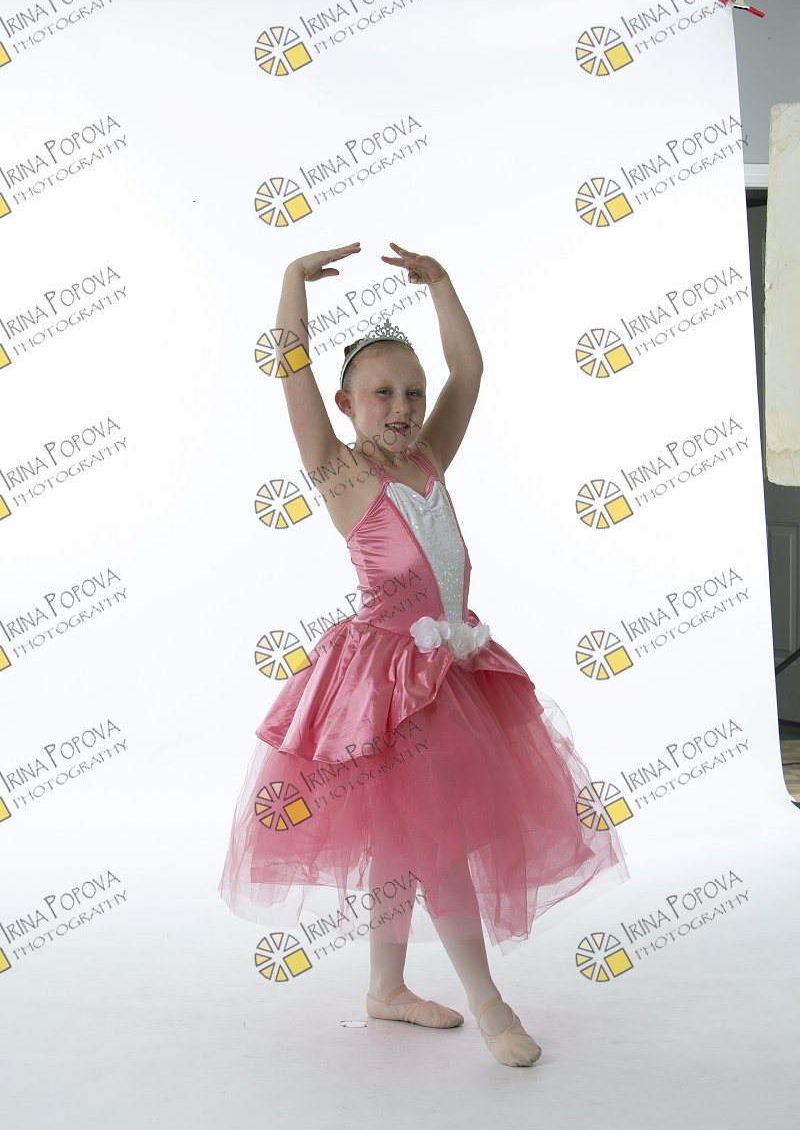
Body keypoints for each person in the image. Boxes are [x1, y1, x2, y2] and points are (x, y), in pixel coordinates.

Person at [219, 240, 630, 1067]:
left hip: (452, 671)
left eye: (412, 391)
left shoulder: (430, 458)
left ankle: (387, 989)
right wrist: (292, 283)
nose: (403, 406)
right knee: (434, 839)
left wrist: (440, 283)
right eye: (383, 393)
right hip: (384, 679)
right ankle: (489, 1002)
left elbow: (468, 372)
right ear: (346, 403)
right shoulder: (340, 474)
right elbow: (290, 368)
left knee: (405, 837)